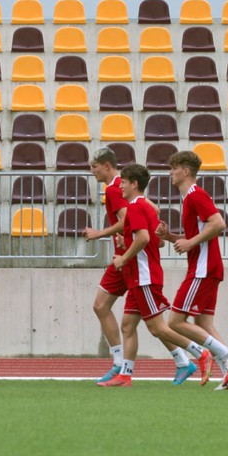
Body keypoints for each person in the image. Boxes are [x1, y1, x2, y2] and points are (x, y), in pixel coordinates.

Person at [105, 164, 228, 389]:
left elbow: (144, 238)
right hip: (140, 276)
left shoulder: (137, 207)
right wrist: (130, 242)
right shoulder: (146, 207)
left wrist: (123, 257)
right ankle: (125, 375)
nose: (120, 186)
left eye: (123, 182)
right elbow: (157, 240)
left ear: (134, 184)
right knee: (128, 325)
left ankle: (201, 354)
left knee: (161, 327)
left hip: (144, 276)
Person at [83, 148, 192, 384]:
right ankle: (175, 362)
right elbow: (151, 210)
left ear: (107, 166)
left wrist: (101, 234)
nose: (92, 171)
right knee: (139, 322)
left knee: (116, 311)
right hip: (131, 257)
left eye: (94, 167)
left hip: (129, 259)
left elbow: (127, 221)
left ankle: (202, 353)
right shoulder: (125, 193)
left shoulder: (114, 191)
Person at [157, 150, 228, 387]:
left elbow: (218, 223)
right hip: (207, 266)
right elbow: (196, 235)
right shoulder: (190, 198)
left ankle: (226, 353)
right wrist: (170, 236)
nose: (170, 173)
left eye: (173, 169)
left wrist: (189, 242)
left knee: (175, 321)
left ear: (185, 171)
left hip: (202, 268)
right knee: (203, 324)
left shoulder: (196, 195)